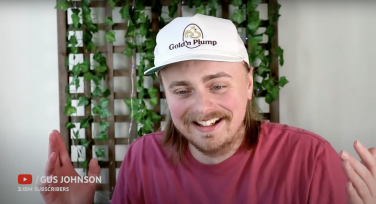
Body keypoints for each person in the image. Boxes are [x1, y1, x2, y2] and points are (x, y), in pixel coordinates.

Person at [40, 14, 376, 204]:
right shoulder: (143, 158)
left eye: (218, 85)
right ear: (165, 94)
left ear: (247, 84)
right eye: (182, 90)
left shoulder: (310, 158)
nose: (202, 107)